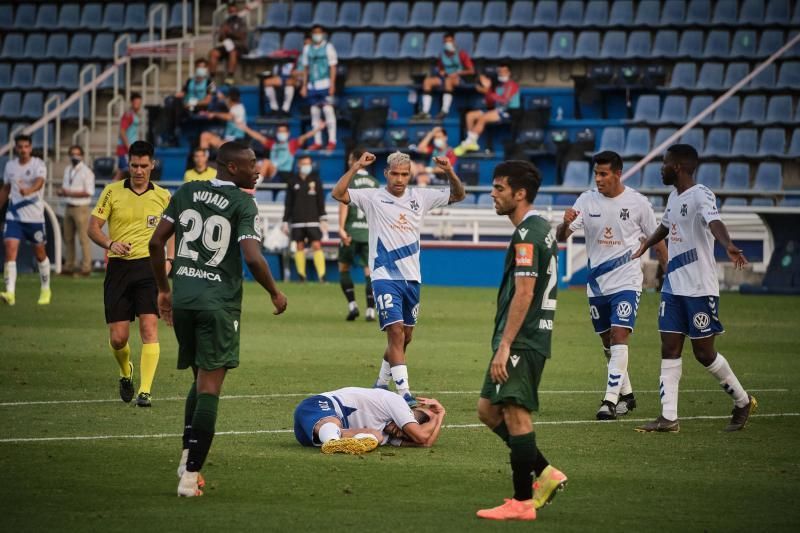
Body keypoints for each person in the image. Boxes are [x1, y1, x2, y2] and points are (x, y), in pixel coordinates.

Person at [148, 140, 287, 498]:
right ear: (231, 167)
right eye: (252, 163)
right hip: (218, 305)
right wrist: (274, 291)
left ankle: (184, 456)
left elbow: (156, 243)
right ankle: (190, 478)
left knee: (199, 377)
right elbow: (253, 258)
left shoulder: (187, 191)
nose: (258, 169)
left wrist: (164, 290)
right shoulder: (244, 202)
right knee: (210, 386)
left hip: (184, 299)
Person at [631, 144, 756, 433]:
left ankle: (741, 400)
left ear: (677, 166)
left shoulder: (701, 194)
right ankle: (668, 417)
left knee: (703, 353)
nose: (661, 168)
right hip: (674, 287)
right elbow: (665, 226)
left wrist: (728, 245)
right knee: (669, 346)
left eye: (664, 163)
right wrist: (647, 244)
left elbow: (714, 222)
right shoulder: (674, 196)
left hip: (700, 288)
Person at [331, 151, 465, 406]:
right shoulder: (373, 197)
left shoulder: (420, 197)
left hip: (412, 277)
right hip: (383, 275)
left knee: (406, 336)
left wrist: (449, 172)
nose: (400, 179)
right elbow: (338, 194)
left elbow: (459, 194)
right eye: (395, 173)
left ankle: (381, 383)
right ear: (386, 174)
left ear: (410, 174)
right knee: (394, 331)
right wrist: (356, 167)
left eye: (405, 174)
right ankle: (404, 393)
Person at [476, 160, 566, 521]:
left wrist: (505, 345)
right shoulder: (543, 227)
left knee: (515, 411)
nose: (492, 194)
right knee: (487, 410)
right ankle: (544, 472)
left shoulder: (528, 235)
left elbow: (525, 292)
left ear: (520, 193)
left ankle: (521, 502)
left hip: (524, 339)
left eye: (499, 188)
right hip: (528, 337)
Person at [556, 151, 668, 420]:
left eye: (604, 174)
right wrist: (565, 223)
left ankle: (609, 401)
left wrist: (670, 274)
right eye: (596, 173)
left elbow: (658, 240)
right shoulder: (586, 200)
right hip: (597, 284)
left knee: (619, 336)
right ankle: (627, 396)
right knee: (608, 342)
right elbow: (562, 236)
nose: (598, 179)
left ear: (618, 174)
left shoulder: (638, 203)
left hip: (627, 280)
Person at [88, 141, 172, 408]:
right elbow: (93, 228)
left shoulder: (163, 195)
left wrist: (169, 259)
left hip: (149, 267)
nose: (138, 170)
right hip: (119, 268)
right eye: (134, 165)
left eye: (143, 166)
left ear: (152, 165)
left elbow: (174, 231)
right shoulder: (112, 192)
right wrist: (110, 243)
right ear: (128, 163)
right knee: (118, 338)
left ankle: (145, 391)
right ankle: (126, 372)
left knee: (149, 328)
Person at [293, 387, 445, 454]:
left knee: (375, 436)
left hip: (310, 439)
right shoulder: (397, 402)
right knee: (333, 422)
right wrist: (436, 415)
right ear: (408, 417)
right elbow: (422, 436)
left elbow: (425, 443)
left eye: (403, 436)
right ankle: (332, 440)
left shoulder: (387, 436)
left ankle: (334, 441)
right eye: (404, 430)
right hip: (319, 406)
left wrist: (441, 416)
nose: (398, 434)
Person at [0, 135, 51, 306]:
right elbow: (6, 188)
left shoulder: (38, 164)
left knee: (40, 254)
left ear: (30, 147)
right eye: (20, 146)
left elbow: (39, 182)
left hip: (35, 218)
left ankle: (45, 288)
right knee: (10, 249)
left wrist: (29, 191)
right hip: (14, 216)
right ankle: (10, 293)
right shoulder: (10, 166)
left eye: (26, 146)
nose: (23, 150)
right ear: (16, 148)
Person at [338, 149, 379, 322]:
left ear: (355, 160)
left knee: (344, 268)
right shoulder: (375, 183)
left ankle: (352, 305)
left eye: (349, 158)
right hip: (368, 233)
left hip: (351, 231)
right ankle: (370, 309)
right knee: (369, 271)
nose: (348, 161)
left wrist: (340, 228)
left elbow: (344, 204)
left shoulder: (350, 179)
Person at [454, 64, 521, 156]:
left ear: (509, 73)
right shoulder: (497, 85)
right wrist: (487, 91)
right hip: (495, 110)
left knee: (483, 118)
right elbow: (490, 102)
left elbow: (505, 101)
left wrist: (489, 91)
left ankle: (468, 143)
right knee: (470, 115)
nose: (501, 74)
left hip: (509, 112)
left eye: (504, 71)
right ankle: (471, 142)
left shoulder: (512, 85)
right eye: (500, 72)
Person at [282, 155, 326, 282]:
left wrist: (323, 218)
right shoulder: (292, 181)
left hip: (313, 219)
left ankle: (322, 277)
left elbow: (321, 201)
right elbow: (288, 203)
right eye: (304, 164)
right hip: (297, 221)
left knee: (317, 245)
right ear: (298, 165)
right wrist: (285, 220)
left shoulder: (316, 180)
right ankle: (302, 276)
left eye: (308, 164)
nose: (307, 166)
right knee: (299, 246)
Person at [414, 33, 475, 120]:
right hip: (444, 77)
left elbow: (471, 71)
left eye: (450, 41)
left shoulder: (462, 54)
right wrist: (441, 71)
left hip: (458, 78)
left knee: (448, 80)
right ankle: (425, 112)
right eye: (446, 42)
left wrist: (457, 73)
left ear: (454, 42)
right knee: (427, 81)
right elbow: (440, 68)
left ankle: (444, 110)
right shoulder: (442, 55)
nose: (448, 43)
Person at [57, 145, 96, 277]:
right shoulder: (68, 169)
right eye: (72, 154)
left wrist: (69, 192)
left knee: (83, 238)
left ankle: (86, 268)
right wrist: (63, 192)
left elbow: (89, 192)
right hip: (68, 206)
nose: (75, 156)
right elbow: (66, 187)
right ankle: (69, 266)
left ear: (82, 155)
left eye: (77, 154)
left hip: (81, 207)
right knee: (68, 238)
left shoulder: (87, 172)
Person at [241, 122, 325, 183]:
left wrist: (318, 129)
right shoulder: (272, 144)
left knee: (266, 162)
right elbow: (258, 137)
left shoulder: (292, 144)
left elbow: (305, 137)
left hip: (284, 173)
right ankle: (244, 184)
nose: (281, 133)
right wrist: (245, 128)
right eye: (280, 131)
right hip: (272, 171)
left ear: (288, 133)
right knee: (256, 164)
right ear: (277, 133)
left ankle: (255, 186)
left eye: (283, 131)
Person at [300, 25, 338, 151]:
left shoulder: (328, 47)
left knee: (328, 110)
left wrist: (332, 84)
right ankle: (317, 141)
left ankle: (332, 141)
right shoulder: (307, 49)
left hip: (325, 83)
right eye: (314, 32)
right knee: (314, 112)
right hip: (312, 84)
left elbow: (333, 67)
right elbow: (306, 68)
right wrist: (304, 86)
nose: (317, 35)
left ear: (323, 33)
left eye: (319, 32)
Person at [208, 2, 248, 85]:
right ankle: (211, 79)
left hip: (239, 46)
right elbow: (221, 39)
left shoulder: (241, 21)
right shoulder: (225, 22)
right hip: (227, 45)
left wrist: (230, 32)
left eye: (233, 11)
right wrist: (222, 33)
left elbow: (242, 36)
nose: (232, 13)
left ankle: (230, 77)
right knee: (213, 53)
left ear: (237, 11)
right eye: (230, 11)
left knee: (232, 52)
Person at [115, 93, 143, 181]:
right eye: (136, 103)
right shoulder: (128, 115)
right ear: (131, 103)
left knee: (121, 173)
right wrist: (129, 146)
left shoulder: (135, 115)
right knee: (130, 171)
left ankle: (109, 189)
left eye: (139, 103)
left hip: (129, 148)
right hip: (125, 149)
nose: (138, 106)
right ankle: (109, 191)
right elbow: (122, 131)